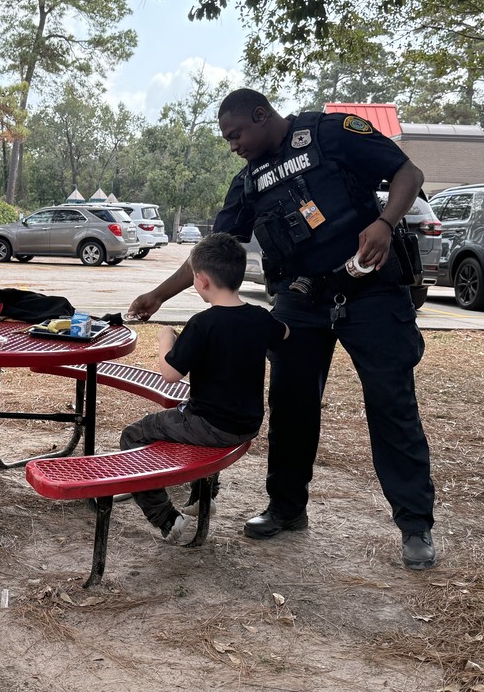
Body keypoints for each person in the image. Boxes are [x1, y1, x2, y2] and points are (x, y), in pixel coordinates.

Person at [129, 88, 437, 570]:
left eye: (236, 134)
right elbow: (211, 251)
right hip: (301, 299)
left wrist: (385, 222)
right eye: (227, 140)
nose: (233, 145)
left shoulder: (329, 134)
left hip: (372, 290)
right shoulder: (249, 182)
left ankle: (415, 524)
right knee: (291, 407)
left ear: (261, 114)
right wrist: (159, 296)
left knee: (391, 403)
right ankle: (287, 509)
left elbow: (407, 172)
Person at [121, 233, 288, 544]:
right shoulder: (259, 317)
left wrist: (165, 339)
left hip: (210, 425)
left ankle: (166, 517)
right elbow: (284, 333)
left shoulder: (202, 324)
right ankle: (204, 495)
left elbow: (170, 374)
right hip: (246, 423)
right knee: (184, 415)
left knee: (134, 434)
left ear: (201, 280)